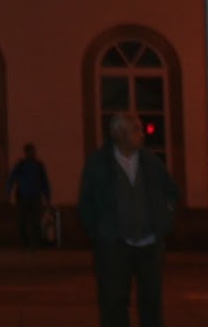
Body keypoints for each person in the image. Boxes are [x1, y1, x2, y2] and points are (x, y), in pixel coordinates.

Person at [77, 112, 179, 327]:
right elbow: (86, 201)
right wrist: (98, 231)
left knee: (151, 303)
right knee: (113, 303)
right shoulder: (99, 163)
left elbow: (171, 191)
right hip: (114, 245)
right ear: (121, 134)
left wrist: (165, 219)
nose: (142, 135)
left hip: (149, 244)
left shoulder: (150, 161)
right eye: (136, 130)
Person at [6, 142, 52, 248]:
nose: (31, 154)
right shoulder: (21, 165)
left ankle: (34, 243)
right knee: (23, 221)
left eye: (32, 151)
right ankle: (25, 244)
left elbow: (45, 182)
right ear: (26, 153)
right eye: (29, 152)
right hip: (23, 197)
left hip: (35, 197)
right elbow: (11, 179)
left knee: (35, 222)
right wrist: (8, 192)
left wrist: (47, 197)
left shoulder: (39, 166)